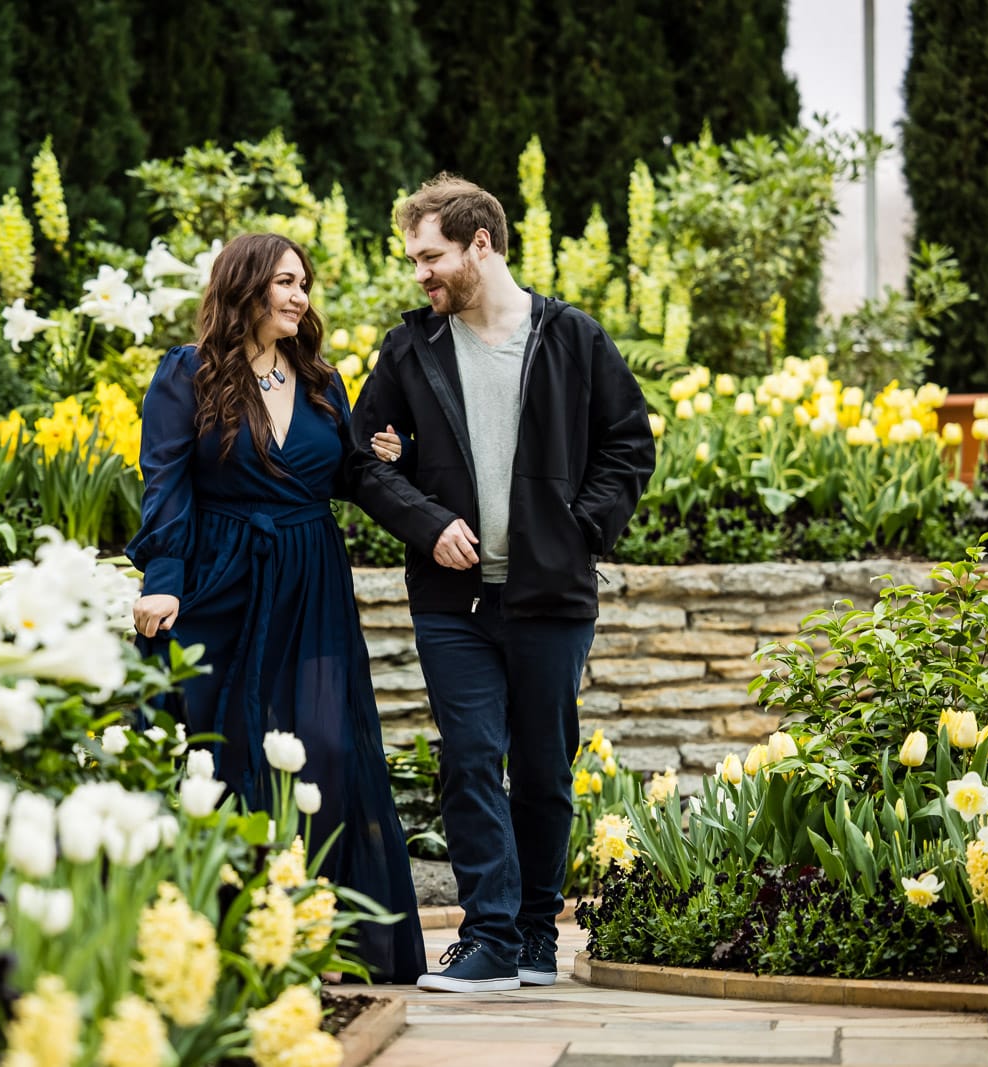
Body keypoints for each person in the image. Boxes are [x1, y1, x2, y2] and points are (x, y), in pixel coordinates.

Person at [348, 175, 655, 993]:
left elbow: (629, 444)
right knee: (472, 759)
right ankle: (486, 937)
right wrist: (426, 520)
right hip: (452, 604)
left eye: (432, 255)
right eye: (416, 258)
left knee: (546, 767)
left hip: (551, 597)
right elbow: (360, 461)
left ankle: (533, 940)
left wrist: (576, 529)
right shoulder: (410, 348)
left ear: (480, 244)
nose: (421, 273)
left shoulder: (573, 338)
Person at [126, 232, 424, 984]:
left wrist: (390, 457)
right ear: (244, 286)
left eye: (304, 284)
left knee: (323, 746)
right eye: (285, 282)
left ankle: (327, 933)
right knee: (221, 747)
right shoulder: (185, 376)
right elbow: (165, 482)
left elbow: (345, 474)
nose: (299, 296)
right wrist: (162, 577)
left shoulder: (323, 379)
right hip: (220, 578)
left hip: (312, 580)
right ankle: (223, 929)